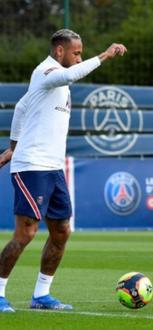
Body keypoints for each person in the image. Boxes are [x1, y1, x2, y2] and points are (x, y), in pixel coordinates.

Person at [0, 29, 127, 312]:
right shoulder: (45, 72)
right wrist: (104, 56)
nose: (79, 56)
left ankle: (41, 295)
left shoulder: (56, 85)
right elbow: (69, 76)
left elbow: (21, 108)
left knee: (61, 231)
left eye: (81, 52)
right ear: (59, 51)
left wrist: (11, 146)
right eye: (76, 52)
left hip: (53, 167)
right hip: (32, 166)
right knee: (26, 234)